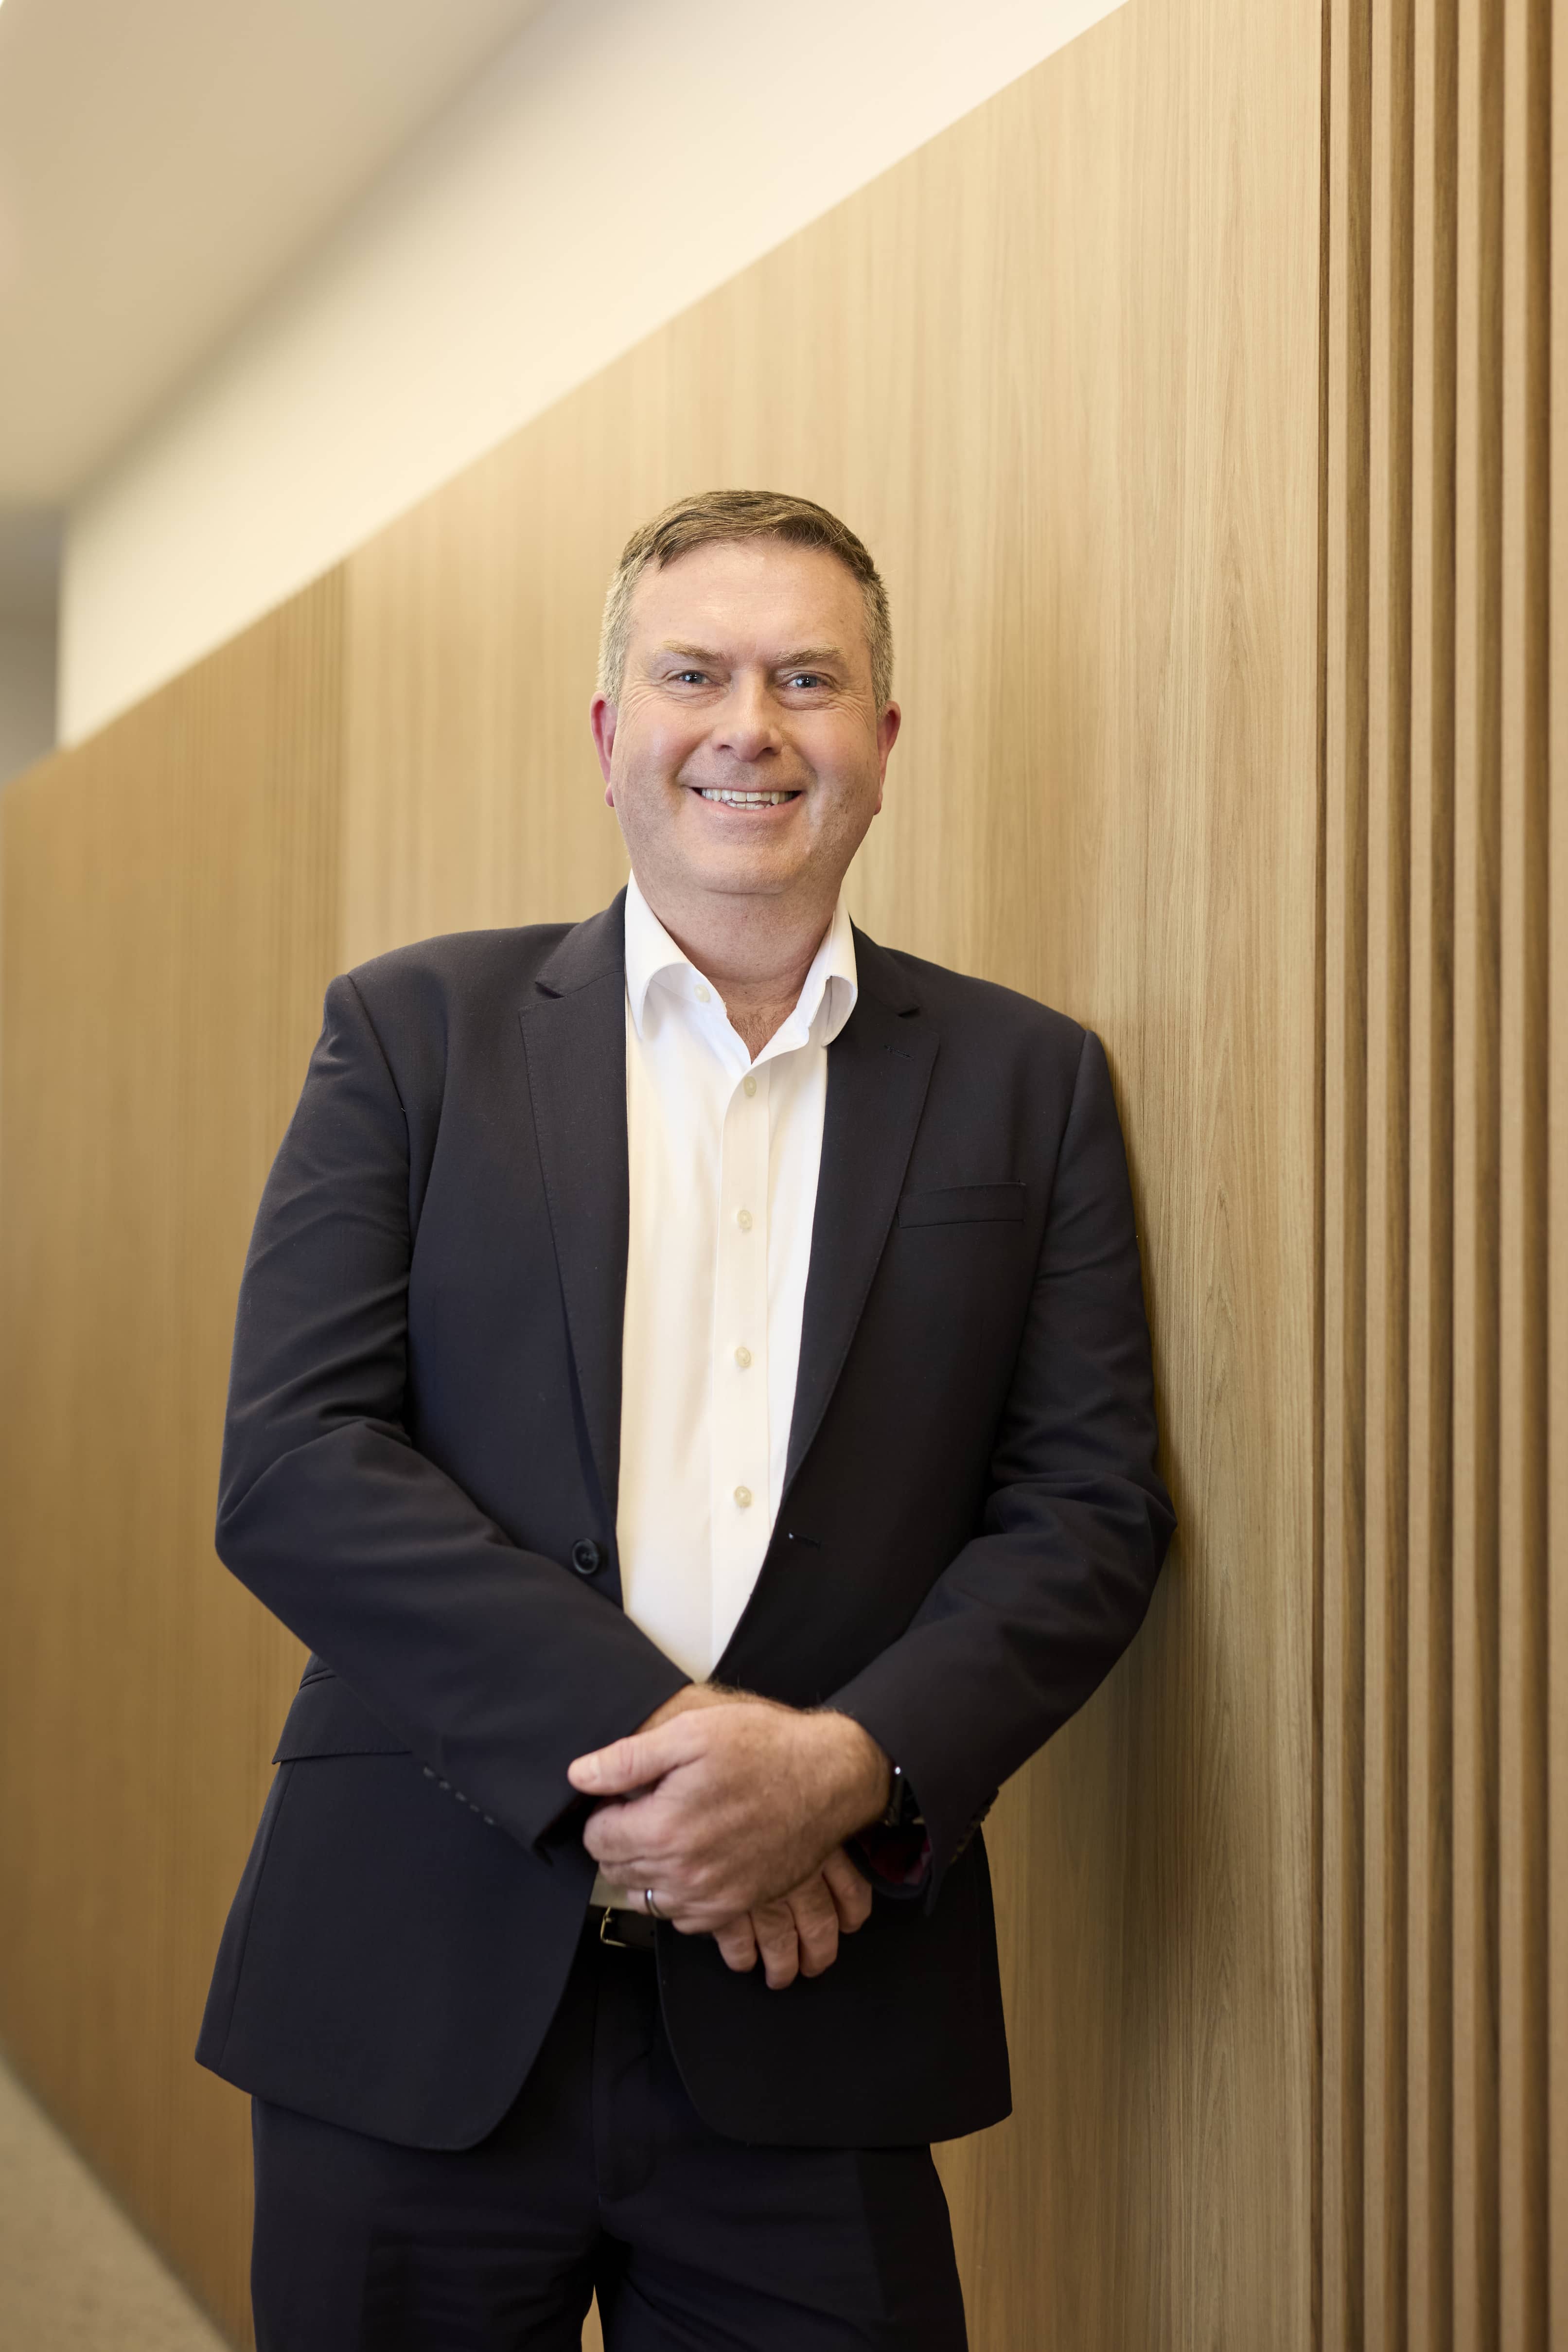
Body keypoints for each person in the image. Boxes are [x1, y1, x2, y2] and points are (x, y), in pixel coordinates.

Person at [198, 488, 1174, 2350]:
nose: (753, 724)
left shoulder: (1025, 1083)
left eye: (811, 679)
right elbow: (298, 1468)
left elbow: (1085, 1513)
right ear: (608, 734)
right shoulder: (415, 1035)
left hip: (821, 2008)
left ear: (882, 744)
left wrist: (850, 1769)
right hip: (409, 1976)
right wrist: (683, 1753)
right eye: (695, 673)